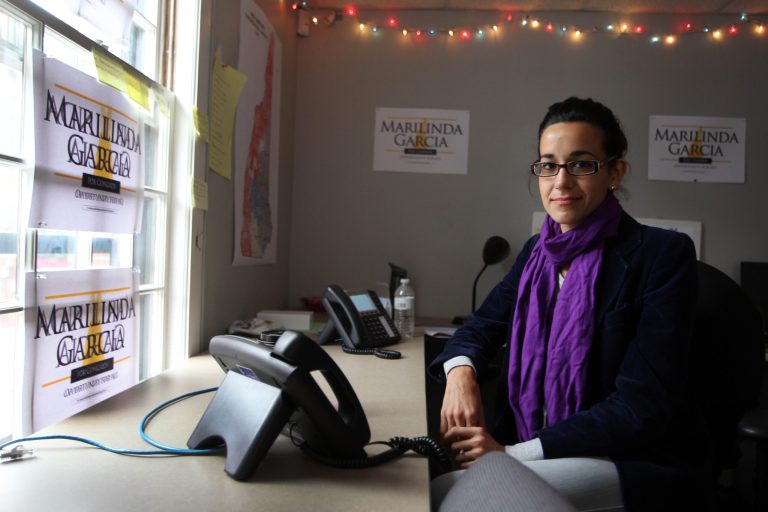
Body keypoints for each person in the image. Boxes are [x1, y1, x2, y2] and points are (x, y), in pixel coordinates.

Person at [428, 97, 709, 511]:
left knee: (442, 494)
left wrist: (512, 455)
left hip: (624, 458)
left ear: (615, 172)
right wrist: (461, 374)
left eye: (581, 164)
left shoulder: (661, 255)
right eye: (548, 165)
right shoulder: (536, 253)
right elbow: (480, 326)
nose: (560, 181)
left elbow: (640, 406)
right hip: (524, 445)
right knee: (426, 485)